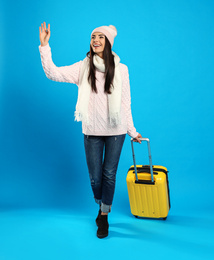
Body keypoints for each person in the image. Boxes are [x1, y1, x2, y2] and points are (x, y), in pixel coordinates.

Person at [39, 22, 142, 239]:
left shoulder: (122, 69)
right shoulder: (83, 67)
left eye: (100, 37)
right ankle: (101, 204)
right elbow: (53, 73)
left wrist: (132, 130)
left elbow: (126, 103)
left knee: (109, 174)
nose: (95, 40)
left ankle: (104, 215)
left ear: (108, 42)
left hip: (116, 130)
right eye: (93, 36)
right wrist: (44, 47)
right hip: (92, 130)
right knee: (96, 178)